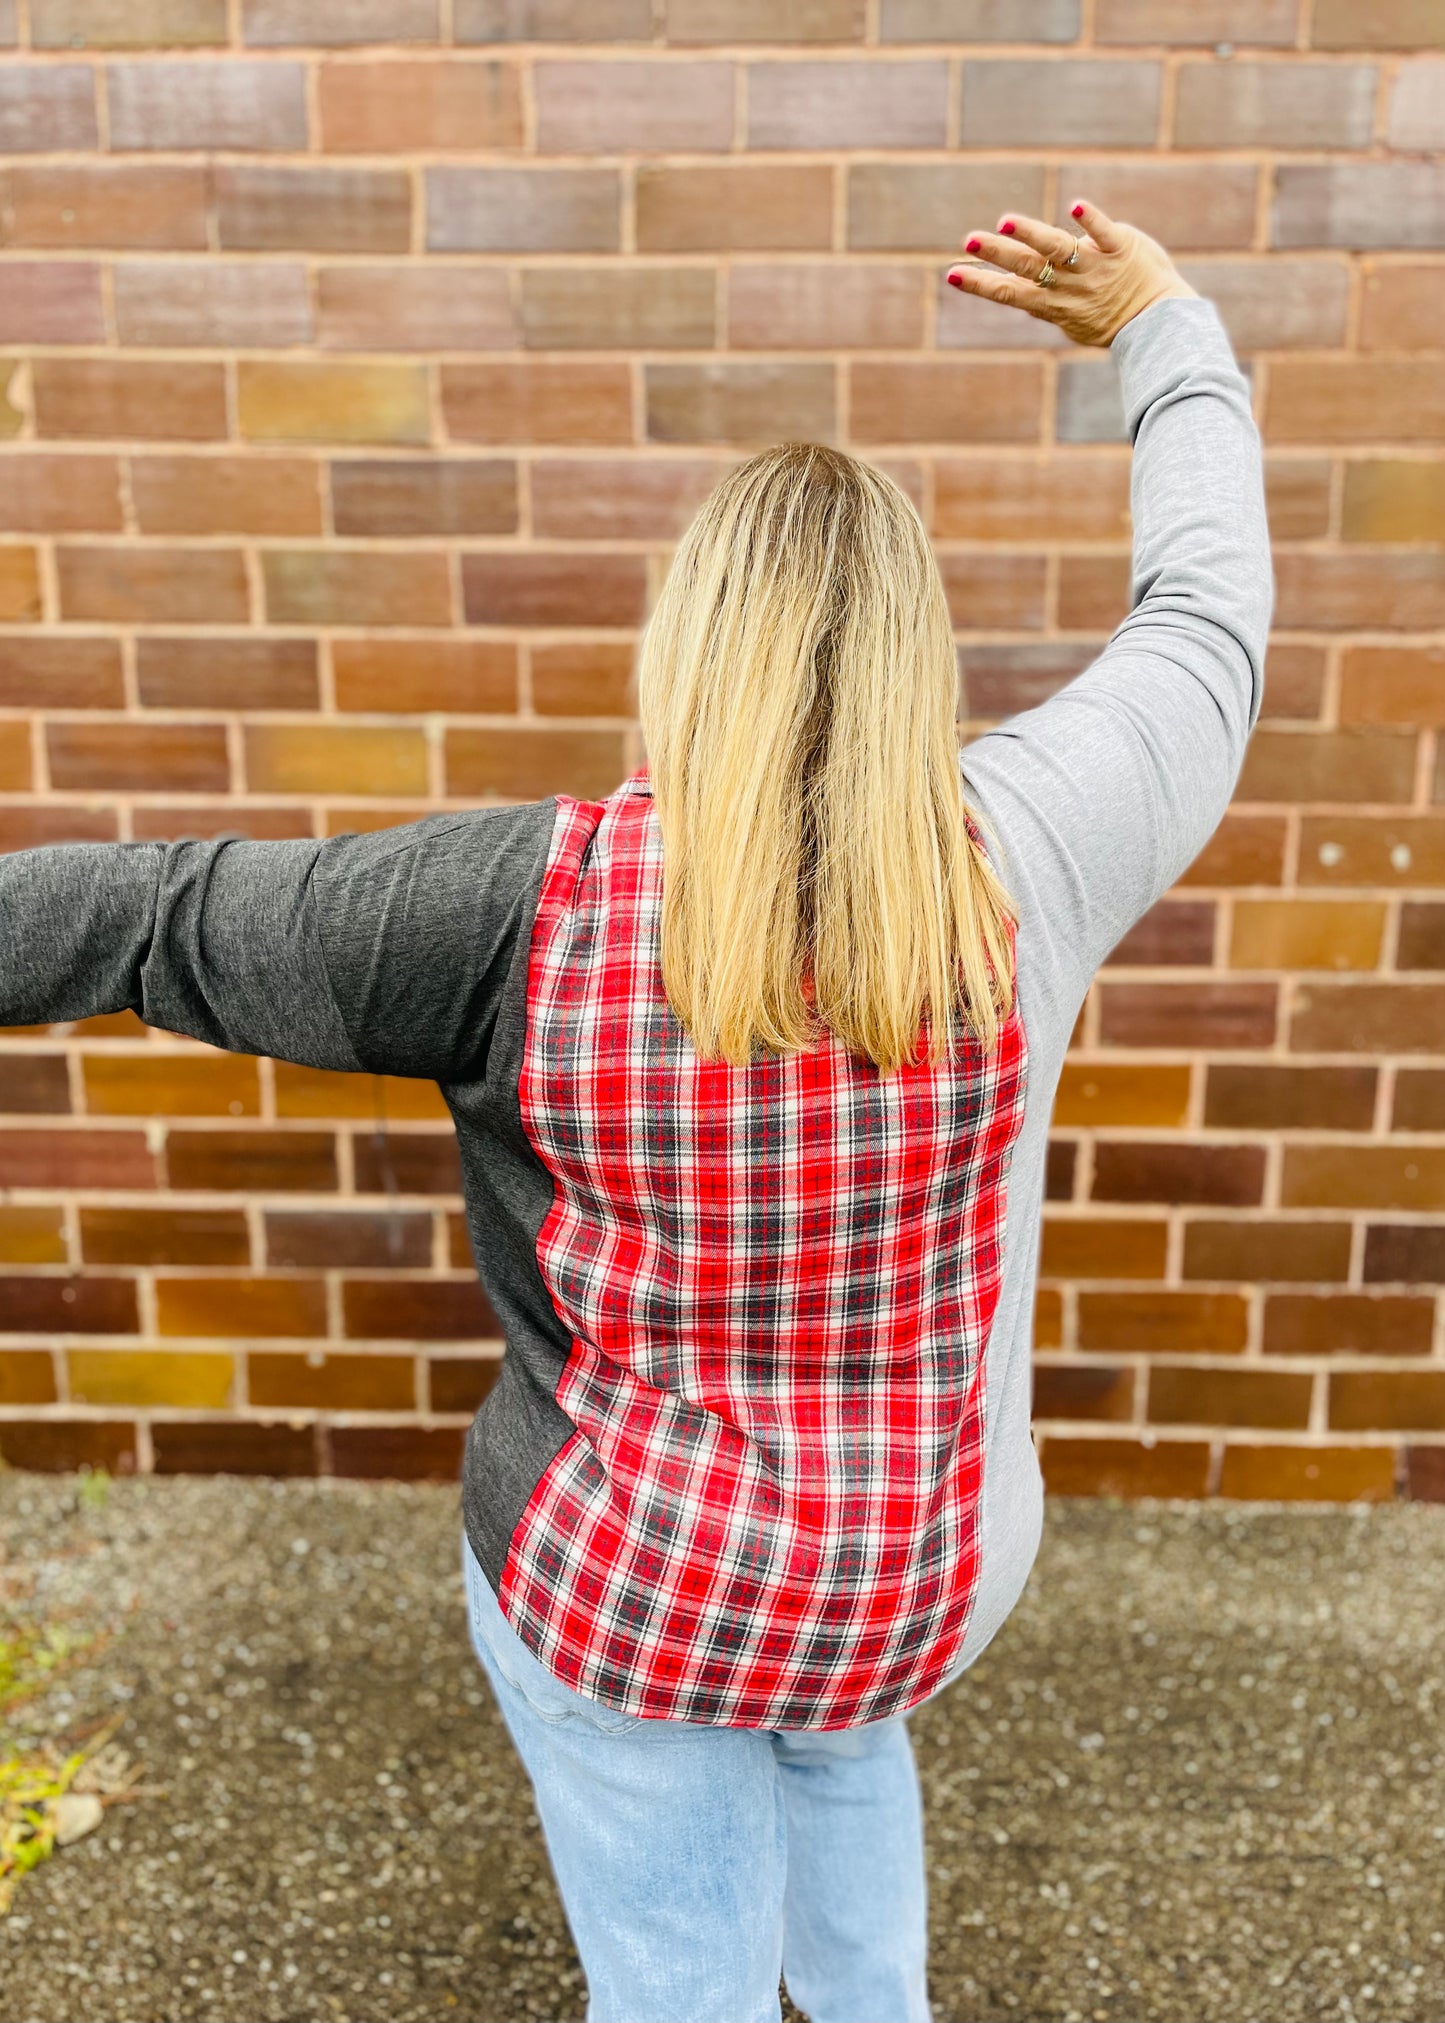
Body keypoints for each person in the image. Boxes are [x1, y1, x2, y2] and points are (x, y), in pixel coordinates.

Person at [0, 197, 1272, 2023]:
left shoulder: (510, 911)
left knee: (673, 1987)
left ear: (688, 645)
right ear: (915, 652)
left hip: (635, 1597)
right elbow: (1208, 612)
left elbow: (148, 916)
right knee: (839, 1757)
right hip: (908, 1585)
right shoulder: (1040, 850)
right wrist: (1160, 327)